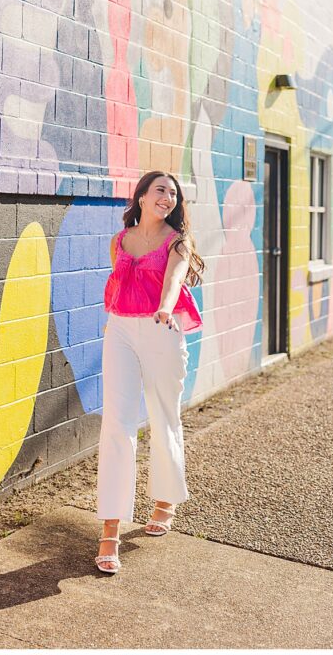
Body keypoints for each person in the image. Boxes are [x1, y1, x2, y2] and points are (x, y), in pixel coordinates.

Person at [95, 171, 205, 573]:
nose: (168, 198)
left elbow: (175, 276)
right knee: (117, 424)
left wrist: (164, 304)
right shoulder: (120, 241)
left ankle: (166, 498)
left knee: (163, 417)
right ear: (141, 196)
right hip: (121, 328)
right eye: (160, 190)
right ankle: (110, 527)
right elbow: (119, 282)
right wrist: (115, 320)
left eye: (173, 194)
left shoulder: (178, 241)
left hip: (163, 327)